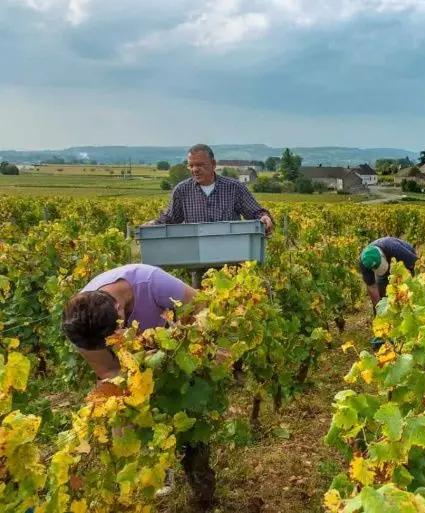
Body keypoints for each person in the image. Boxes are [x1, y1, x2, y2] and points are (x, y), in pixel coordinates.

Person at [61, 264, 216, 511]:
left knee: (192, 425)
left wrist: (187, 342)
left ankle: (202, 490)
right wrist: (133, 405)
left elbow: (202, 306)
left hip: (178, 357)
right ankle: (145, 476)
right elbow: (109, 372)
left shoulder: (151, 282)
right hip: (132, 370)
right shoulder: (82, 329)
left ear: (119, 309)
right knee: (126, 420)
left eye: (113, 337)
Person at [152, 143, 274, 233]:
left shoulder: (234, 188)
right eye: (191, 165)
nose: (195, 169)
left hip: (230, 256)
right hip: (196, 256)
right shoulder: (181, 190)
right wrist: (154, 224)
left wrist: (264, 217)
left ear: (213, 164)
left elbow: (255, 212)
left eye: (200, 165)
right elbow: (170, 219)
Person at [359, 237, 418, 310]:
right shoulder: (364, 263)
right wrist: (379, 309)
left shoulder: (394, 248)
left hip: (405, 260)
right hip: (387, 265)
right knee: (383, 296)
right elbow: (372, 287)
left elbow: (414, 266)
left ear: (383, 255)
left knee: (410, 289)